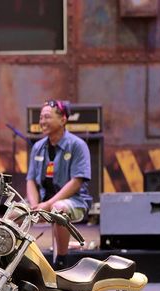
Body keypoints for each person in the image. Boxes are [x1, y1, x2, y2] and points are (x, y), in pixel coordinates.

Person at [26, 99, 92, 270]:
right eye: (41, 117)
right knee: (13, 212)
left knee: (58, 209)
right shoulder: (37, 147)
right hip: (42, 202)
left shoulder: (78, 145)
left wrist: (47, 205)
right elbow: (31, 180)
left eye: (47, 117)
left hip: (75, 202)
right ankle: (10, 261)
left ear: (63, 119)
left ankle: (61, 262)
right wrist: (34, 205)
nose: (42, 121)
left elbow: (76, 182)